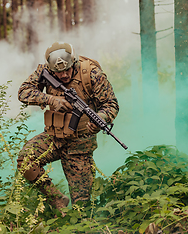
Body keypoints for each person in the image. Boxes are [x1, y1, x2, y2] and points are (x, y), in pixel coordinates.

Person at [17, 41, 119, 214]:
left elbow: (111, 104)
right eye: (58, 72)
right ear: (51, 69)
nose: (64, 75)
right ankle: (56, 199)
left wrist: (100, 118)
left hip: (80, 143)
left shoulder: (92, 74)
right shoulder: (45, 71)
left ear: (74, 62)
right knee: (25, 160)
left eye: (67, 70)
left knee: (82, 207)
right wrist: (50, 100)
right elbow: (23, 92)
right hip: (54, 137)